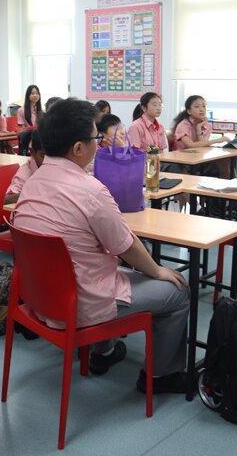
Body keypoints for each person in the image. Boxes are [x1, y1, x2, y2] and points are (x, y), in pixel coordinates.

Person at [13, 98, 189, 392]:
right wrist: (158, 271)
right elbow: (126, 246)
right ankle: (161, 376)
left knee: (99, 264)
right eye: (96, 137)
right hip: (81, 303)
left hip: (42, 299)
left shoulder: (33, 181)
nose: (99, 143)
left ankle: (103, 352)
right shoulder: (90, 190)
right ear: (79, 148)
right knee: (177, 291)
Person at [4, 129, 45, 205]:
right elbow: (7, 198)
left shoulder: (55, 167)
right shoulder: (25, 172)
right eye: (43, 156)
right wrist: (37, 195)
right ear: (32, 152)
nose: (47, 160)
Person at [17, 85, 43, 155]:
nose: (35, 95)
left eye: (37, 94)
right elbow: (22, 129)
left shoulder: (41, 111)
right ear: (28, 95)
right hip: (27, 136)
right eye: (32, 93)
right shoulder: (21, 110)